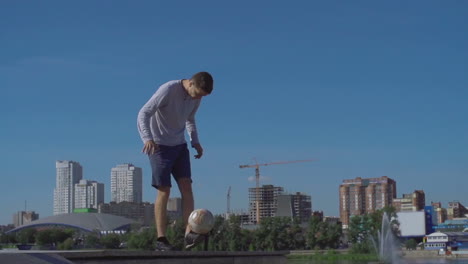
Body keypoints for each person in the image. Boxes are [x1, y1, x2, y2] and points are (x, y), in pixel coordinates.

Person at [137, 72, 213, 251]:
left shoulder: (197, 97)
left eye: (203, 96)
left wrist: (195, 141)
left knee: (186, 186)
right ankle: (161, 239)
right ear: (191, 84)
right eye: (198, 94)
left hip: (179, 146)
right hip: (159, 146)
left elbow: (190, 120)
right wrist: (147, 138)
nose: (199, 98)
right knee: (165, 189)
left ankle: (190, 233)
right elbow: (144, 113)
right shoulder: (169, 90)